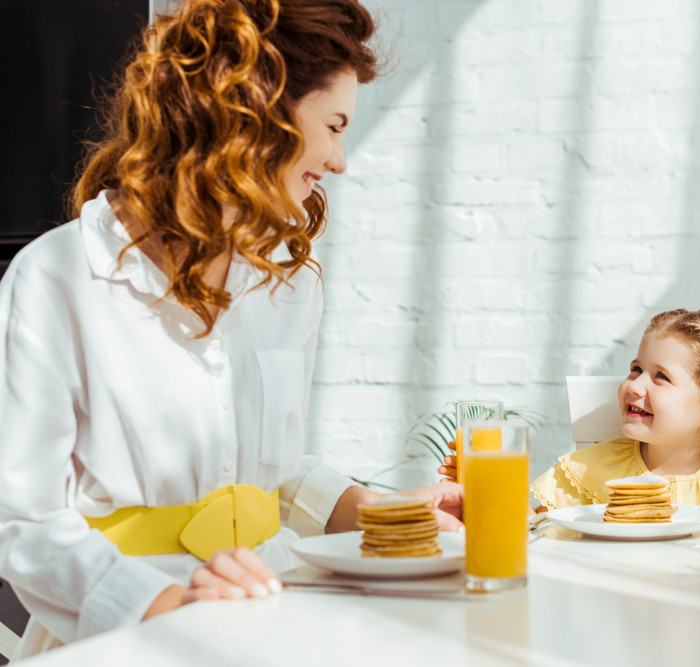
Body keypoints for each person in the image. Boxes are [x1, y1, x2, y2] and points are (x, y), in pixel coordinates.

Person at [0, 0, 461, 652]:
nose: (339, 160)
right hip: (120, 632)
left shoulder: (289, 283)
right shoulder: (56, 277)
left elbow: (265, 467)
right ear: (259, 108)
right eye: (333, 125)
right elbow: (24, 520)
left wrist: (382, 512)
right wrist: (169, 606)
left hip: (267, 609)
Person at [529, 308, 700, 519]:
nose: (634, 385)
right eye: (636, 369)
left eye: (661, 376)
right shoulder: (592, 468)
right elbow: (542, 529)